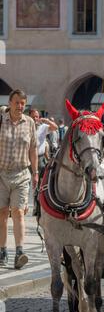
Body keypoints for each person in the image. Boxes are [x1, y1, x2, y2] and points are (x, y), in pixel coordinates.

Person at [0, 90, 38, 269]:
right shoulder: (1, 119)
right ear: (10, 102)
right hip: (1, 174)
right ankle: (2, 250)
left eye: (23, 103)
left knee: (18, 212)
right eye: (17, 102)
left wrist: (36, 172)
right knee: (1, 213)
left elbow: (33, 149)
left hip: (22, 174)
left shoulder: (29, 122)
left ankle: (19, 252)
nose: (20, 106)